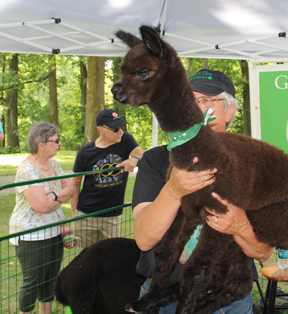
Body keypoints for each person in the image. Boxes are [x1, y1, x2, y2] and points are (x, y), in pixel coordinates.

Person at [133, 69, 273, 313]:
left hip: (229, 301)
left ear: (229, 111)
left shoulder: (253, 166)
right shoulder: (155, 160)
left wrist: (239, 225)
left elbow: (263, 252)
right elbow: (144, 240)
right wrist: (174, 190)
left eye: (206, 100)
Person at [9, 122, 74, 314]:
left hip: (54, 231)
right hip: (32, 236)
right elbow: (41, 206)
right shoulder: (27, 170)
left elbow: (69, 190)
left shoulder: (54, 164)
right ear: (41, 144)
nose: (59, 144)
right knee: (32, 283)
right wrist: (57, 196)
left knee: (51, 279)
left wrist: (52, 197)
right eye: (56, 140)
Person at [71, 109, 144, 248]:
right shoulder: (85, 153)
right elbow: (75, 183)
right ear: (101, 130)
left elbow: (143, 156)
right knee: (87, 259)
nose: (120, 132)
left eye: (121, 127)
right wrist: (76, 214)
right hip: (86, 215)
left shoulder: (125, 140)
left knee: (111, 256)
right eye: (115, 129)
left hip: (113, 216)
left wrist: (134, 160)